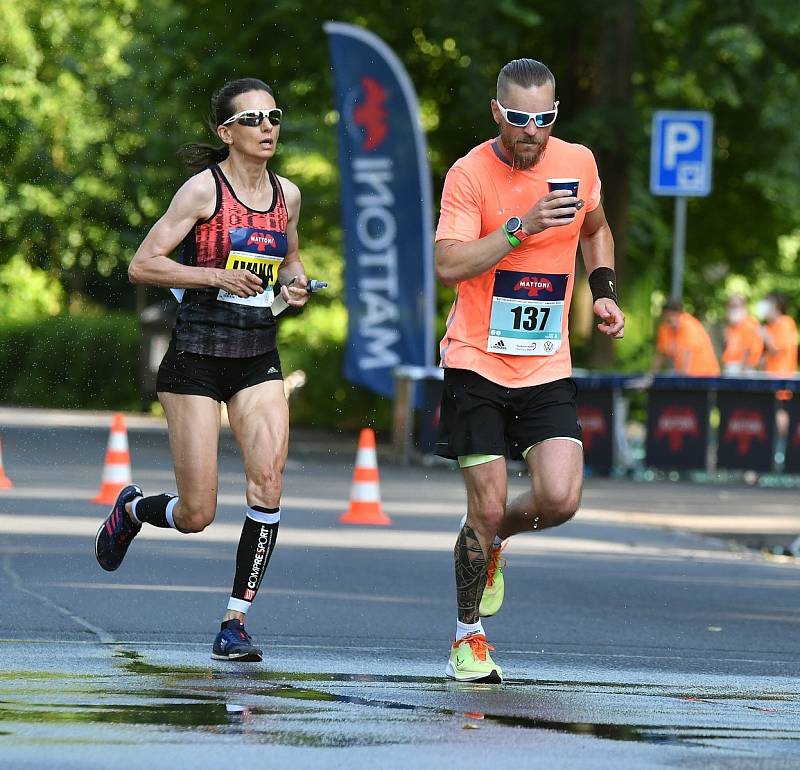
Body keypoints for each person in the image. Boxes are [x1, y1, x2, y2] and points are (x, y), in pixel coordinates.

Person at [94, 77, 311, 662]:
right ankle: (135, 508)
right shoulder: (201, 192)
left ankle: (234, 622)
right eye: (254, 119)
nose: (268, 127)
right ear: (226, 133)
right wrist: (214, 276)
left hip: (257, 357)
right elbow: (144, 265)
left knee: (268, 481)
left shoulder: (287, 195)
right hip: (195, 360)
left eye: (275, 116)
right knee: (197, 514)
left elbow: (289, 261)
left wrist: (295, 287)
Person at [434, 58, 624, 683]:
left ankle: (493, 545)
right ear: (498, 114)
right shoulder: (469, 174)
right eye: (519, 119)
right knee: (482, 510)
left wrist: (604, 291)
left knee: (561, 498)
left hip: (545, 362)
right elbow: (450, 264)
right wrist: (519, 230)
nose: (531, 132)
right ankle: (468, 636)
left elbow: (597, 230)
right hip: (476, 360)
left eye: (543, 119)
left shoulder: (579, 163)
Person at [652, 298, 720, 376]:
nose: (668, 320)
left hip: (706, 375)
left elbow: (687, 355)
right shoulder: (666, 327)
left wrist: (682, 380)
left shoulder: (688, 325)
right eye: (666, 317)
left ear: (679, 315)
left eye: (671, 316)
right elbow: (660, 354)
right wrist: (652, 376)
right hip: (689, 376)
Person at [721, 294, 763, 374]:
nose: (732, 309)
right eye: (730, 306)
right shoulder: (731, 327)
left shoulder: (748, 325)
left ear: (744, 307)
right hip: (732, 367)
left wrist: (743, 374)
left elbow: (747, 350)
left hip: (742, 370)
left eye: (735, 305)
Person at [759, 292, 798, 375]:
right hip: (770, 379)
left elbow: (776, 352)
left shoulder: (785, 323)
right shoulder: (770, 326)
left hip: (782, 381)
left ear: (776, 306)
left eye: (767, 303)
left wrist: (765, 336)